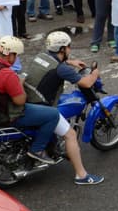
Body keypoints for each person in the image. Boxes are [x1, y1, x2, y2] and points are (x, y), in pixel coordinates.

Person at [19, 30, 104, 183]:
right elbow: (85, 83)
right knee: (70, 135)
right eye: (68, 46)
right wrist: (95, 74)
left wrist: (70, 62)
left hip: (29, 100)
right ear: (62, 49)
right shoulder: (61, 69)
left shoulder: (41, 57)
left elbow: (54, 65)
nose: (70, 49)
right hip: (42, 106)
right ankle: (82, 175)